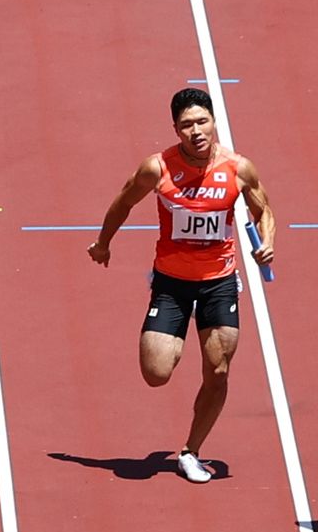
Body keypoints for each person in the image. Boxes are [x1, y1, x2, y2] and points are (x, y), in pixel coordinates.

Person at [87, 87, 275, 483]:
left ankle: (191, 451)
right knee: (156, 373)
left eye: (202, 122)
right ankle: (173, 337)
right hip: (171, 283)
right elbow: (123, 202)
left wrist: (267, 242)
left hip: (219, 282)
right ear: (175, 129)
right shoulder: (157, 168)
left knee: (219, 370)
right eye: (187, 125)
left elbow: (264, 210)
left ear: (213, 121)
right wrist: (103, 243)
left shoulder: (238, 168)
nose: (196, 131)